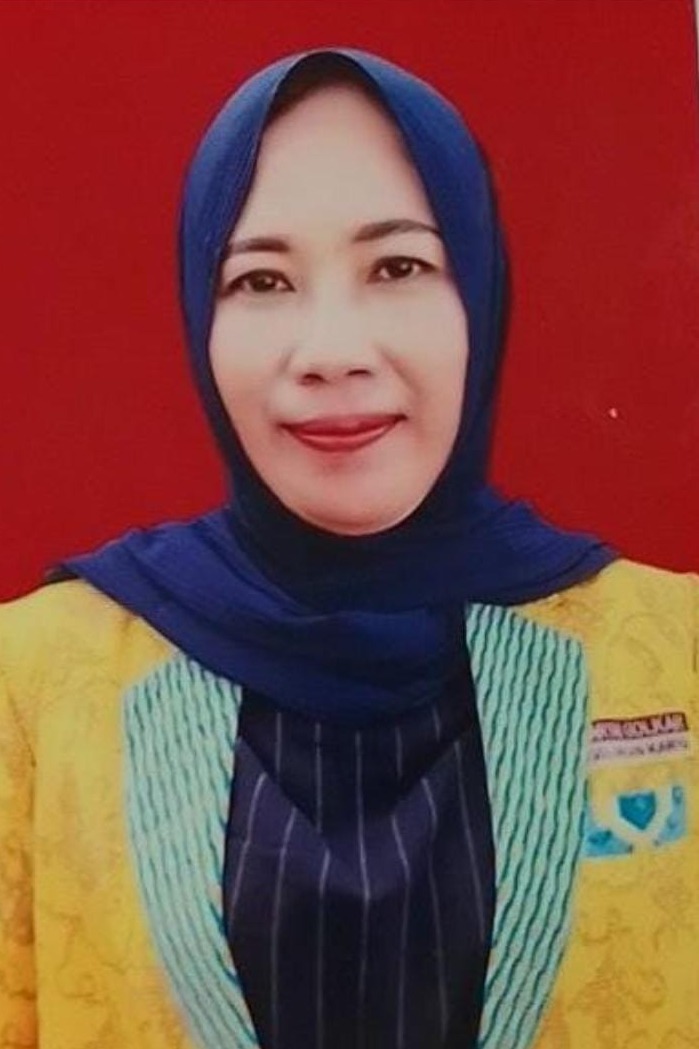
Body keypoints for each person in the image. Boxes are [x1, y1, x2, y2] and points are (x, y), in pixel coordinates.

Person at [0, 46, 696, 1049]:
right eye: (262, 278)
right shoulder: (36, 682)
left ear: (480, 293)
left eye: (398, 266)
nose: (331, 352)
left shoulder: (674, 655)